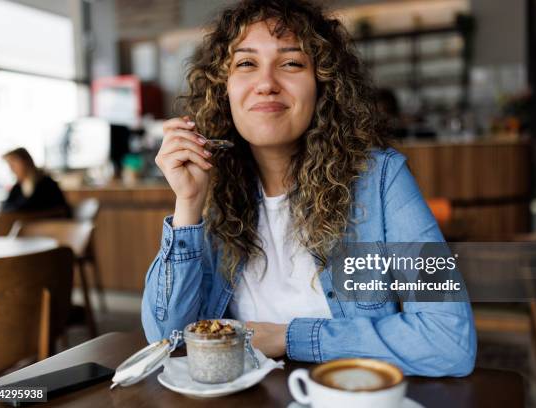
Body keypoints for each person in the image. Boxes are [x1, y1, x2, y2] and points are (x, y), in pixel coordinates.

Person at [142, 0, 476, 377]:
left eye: (291, 63)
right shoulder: (213, 190)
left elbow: (449, 340)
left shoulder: (381, 180)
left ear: (323, 85)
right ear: (224, 90)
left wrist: (290, 337)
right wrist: (188, 204)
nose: (266, 84)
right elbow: (166, 340)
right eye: (247, 63)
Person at [1, 147, 71, 216]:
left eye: (13, 164)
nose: (11, 169)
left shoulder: (46, 184)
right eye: (10, 165)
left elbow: (61, 210)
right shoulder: (17, 187)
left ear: (26, 161)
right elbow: (5, 208)